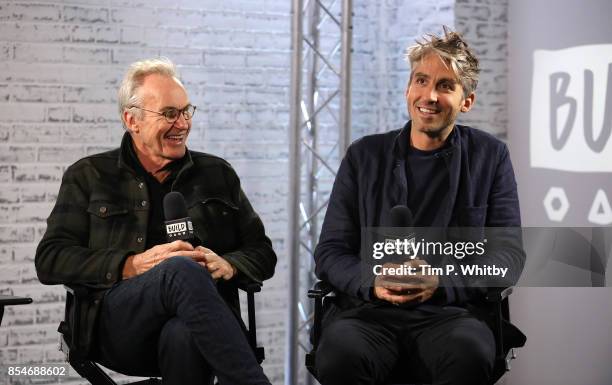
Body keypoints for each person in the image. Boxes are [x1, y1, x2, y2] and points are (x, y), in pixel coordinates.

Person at [35, 58, 276, 385]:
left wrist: (230, 265)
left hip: (201, 328)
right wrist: (130, 264)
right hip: (119, 328)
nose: (182, 124)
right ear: (131, 120)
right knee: (180, 268)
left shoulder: (217, 173)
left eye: (186, 111)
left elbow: (262, 252)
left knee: (185, 335)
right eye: (169, 113)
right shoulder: (89, 175)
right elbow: (50, 259)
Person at [313, 28, 525, 385]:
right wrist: (372, 281)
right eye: (421, 81)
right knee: (339, 356)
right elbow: (330, 251)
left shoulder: (491, 156)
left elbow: (508, 256)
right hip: (368, 313)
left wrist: (441, 282)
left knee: (469, 354)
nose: (429, 95)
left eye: (445, 86)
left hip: (453, 313)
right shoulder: (364, 156)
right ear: (408, 89)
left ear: (466, 101)